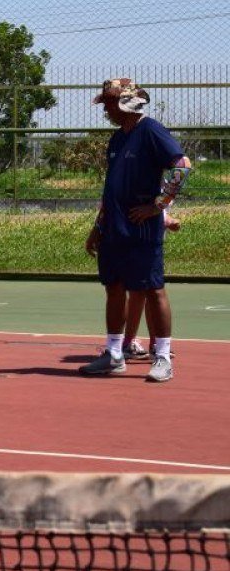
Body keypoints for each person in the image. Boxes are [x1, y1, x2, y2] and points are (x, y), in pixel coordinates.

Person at [81, 78, 191, 383]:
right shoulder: (117, 139)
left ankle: (163, 357)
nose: (105, 110)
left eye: (108, 104)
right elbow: (111, 189)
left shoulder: (151, 130)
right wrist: (98, 226)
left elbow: (182, 165)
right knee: (113, 288)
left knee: (153, 289)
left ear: (124, 103)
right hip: (114, 230)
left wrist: (159, 205)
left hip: (142, 229)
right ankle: (114, 354)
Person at [121, 210, 181, 359]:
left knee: (151, 292)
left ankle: (155, 345)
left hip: (152, 243)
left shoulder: (162, 189)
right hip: (132, 241)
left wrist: (167, 218)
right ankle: (128, 344)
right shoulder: (127, 187)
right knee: (138, 294)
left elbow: (160, 207)